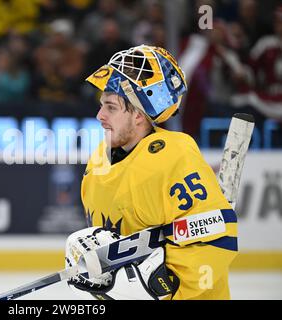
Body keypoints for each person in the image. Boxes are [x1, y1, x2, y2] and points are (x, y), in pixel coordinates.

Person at [64, 45, 238, 300]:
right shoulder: (99, 161)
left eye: (111, 107)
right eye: (102, 105)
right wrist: (97, 264)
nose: (100, 115)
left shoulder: (175, 157)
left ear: (138, 115)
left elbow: (213, 243)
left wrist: (164, 292)